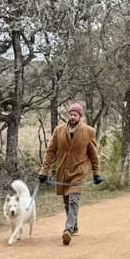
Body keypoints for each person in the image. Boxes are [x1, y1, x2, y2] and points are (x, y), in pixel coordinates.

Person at [38, 102, 104, 245]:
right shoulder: (59, 131)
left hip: (79, 172)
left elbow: (94, 155)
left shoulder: (89, 131)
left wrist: (96, 173)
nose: (73, 117)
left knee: (74, 200)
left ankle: (68, 230)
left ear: (80, 116)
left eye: (75, 115)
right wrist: (44, 171)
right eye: (71, 114)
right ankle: (74, 226)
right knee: (67, 202)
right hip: (63, 171)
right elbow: (50, 152)